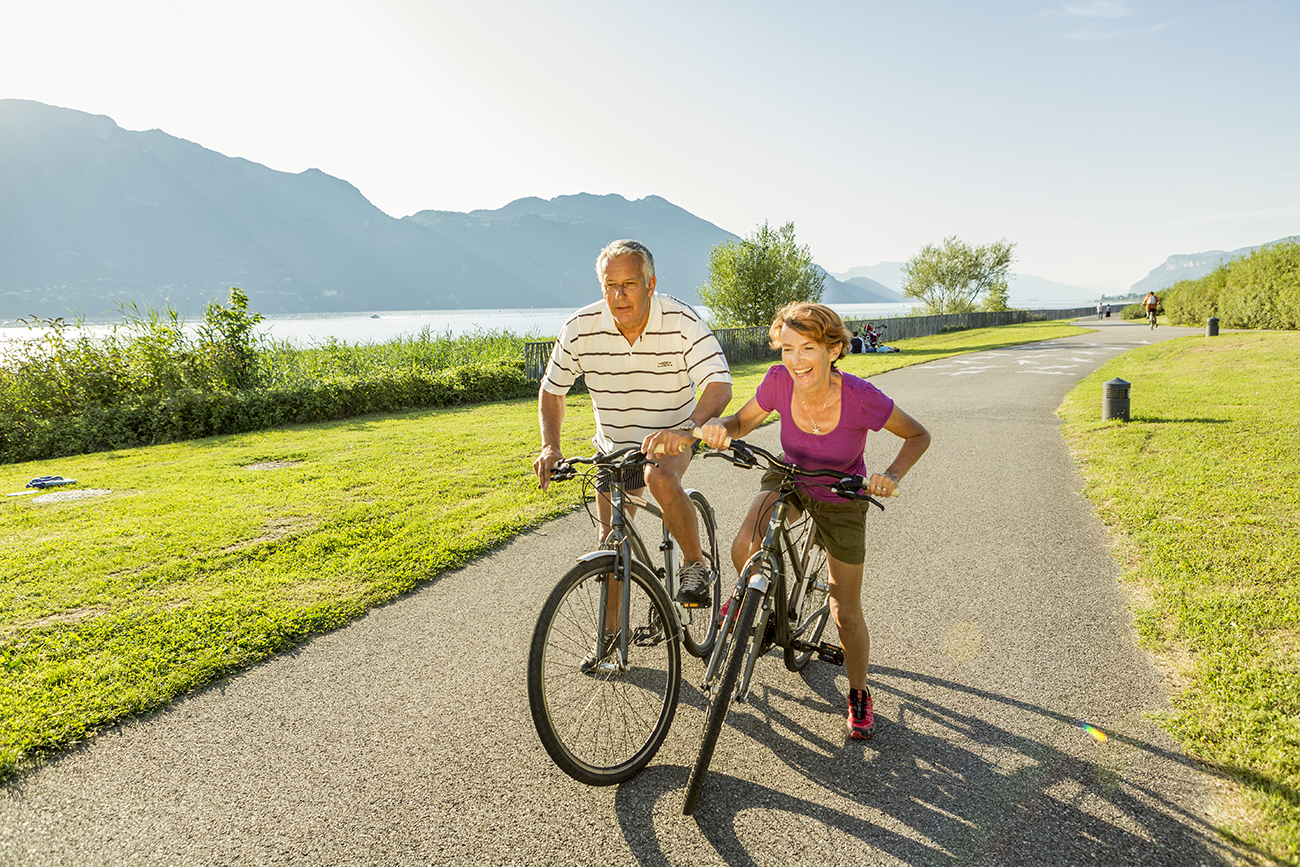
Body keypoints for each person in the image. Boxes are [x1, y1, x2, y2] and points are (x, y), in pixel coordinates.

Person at [698, 302, 930, 740]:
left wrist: (891, 475)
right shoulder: (778, 381)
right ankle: (752, 598)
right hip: (790, 474)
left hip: (843, 494)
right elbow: (743, 421)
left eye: (807, 348)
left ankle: (859, 693)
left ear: (834, 350)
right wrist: (721, 427)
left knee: (845, 611)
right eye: (787, 348)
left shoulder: (861, 397)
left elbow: (918, 434)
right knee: (745, 544)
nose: (796, 360)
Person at [534, 239, 733, 617]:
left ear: (651, 284)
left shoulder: (681, 320)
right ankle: (608, 643)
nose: (619, 295)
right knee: (610, 545)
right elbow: (552, 390)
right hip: (613, 446)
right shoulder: (580, 328)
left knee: (658, 476)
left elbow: (719, 385)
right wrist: (550, 446)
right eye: (610, 285)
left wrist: (688, 430)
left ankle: (694, 564)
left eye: (630, 284)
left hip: (672, 438)